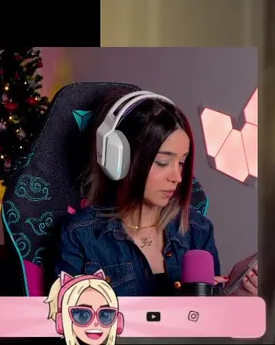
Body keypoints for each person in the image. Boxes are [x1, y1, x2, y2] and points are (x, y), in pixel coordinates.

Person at [56, 88, 259, 298]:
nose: (177, 177)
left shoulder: (198, 231)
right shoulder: (80, 235)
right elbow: (71, 315)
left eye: (181, 163)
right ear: (119, 159)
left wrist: (232, 295)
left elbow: (206, 316)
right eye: (163, 162)